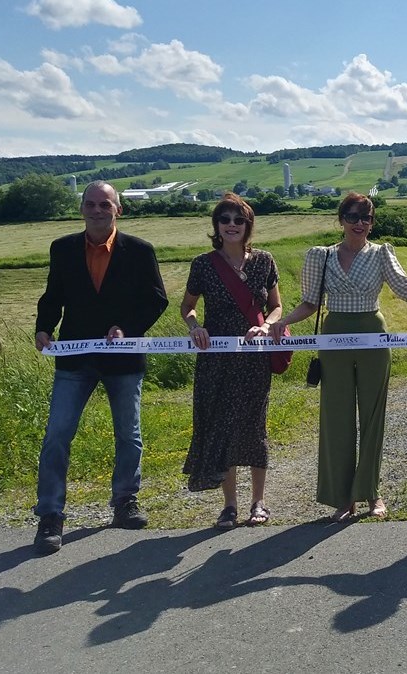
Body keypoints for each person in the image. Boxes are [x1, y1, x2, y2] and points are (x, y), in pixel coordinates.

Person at [272, 193, 407, 522]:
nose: (360, 223)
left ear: (372, 222)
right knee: (337, 417)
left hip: (373, 335)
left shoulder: (381, 254)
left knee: (373, 417)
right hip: (334, 336)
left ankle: (372, 493)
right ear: (341, 219)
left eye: (367, 217)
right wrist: (282, 322)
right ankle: (342, 498)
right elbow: (310, 303)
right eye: (353, 216)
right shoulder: (321, 256)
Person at [33, 180, 169, 554]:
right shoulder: (62, 249)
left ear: (117, 210)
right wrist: (43, 328)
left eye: (104, 205)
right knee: (57, 435)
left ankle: (125, 502)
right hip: (74, 358)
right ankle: (50, 515)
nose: (97, 210)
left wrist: (128, 328)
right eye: (90, 204)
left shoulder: (140, 251)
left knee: (129, 435)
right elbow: (53, 296)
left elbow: (157, 300)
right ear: (82, 209)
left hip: (122, 358)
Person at [180, 194, 282, 530]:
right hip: (216, 358)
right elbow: (188, 307)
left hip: (254, 358)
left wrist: (266, 325)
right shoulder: (203, 264)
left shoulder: (265, 261)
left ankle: (259, 502)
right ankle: (229, 506)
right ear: (217, 226)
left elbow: (277, 307)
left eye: (239, 220)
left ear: (248, 225)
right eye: (225, 219)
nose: (232, 225)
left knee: (254, 427)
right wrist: (196, 327)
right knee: (222, 427)